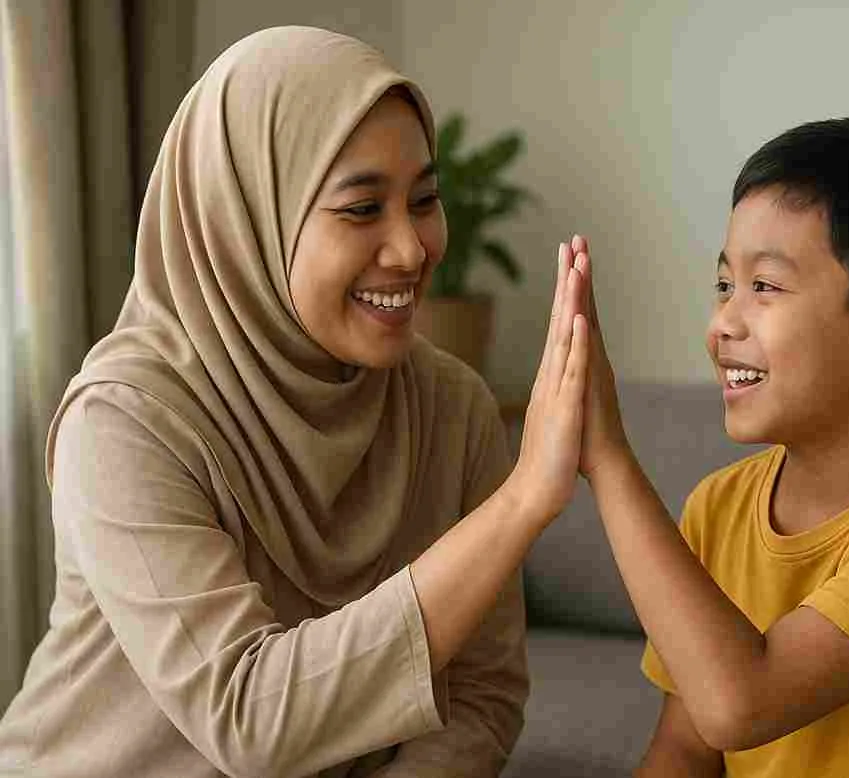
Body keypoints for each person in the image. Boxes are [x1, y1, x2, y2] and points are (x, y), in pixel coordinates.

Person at [0, 26, 593, 778]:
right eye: (360, 209)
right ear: (246, 216)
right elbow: (246, 716)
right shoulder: (125, 420)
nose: (411, 249)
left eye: (424, 200)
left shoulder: (452, 406)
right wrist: (520, 504)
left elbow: (482, 695)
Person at [573, 117, 849, 776]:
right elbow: (687, 748)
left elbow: (742, 705)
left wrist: (606, 458)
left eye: (765, 287)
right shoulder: (716, 506)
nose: (721, 322)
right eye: (724, 284)